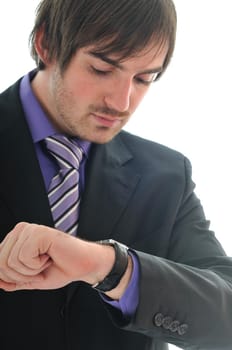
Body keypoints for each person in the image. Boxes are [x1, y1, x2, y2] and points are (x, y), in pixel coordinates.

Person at [0, 0, 231, 349]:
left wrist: (111, 266)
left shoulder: (167, 175)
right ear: (45, 45)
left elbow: (225, 315)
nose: (122, 103)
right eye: (102, 69)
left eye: (143, 78)